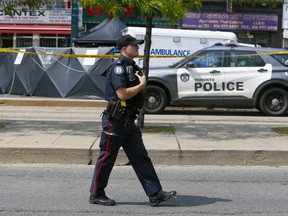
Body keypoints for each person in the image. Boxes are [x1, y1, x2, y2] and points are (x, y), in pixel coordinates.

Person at [89, 34, 176, 207]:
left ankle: (154, 193)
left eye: (137, 45)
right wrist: (142, 85)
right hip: (115, 120)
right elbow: (122, 94)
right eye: (134, 45)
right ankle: (96, 194)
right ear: (124, 49)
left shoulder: (132, 66)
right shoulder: (118, 68)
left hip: (129, 121)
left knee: (140, 157)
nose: (137, 47)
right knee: (107, 157)